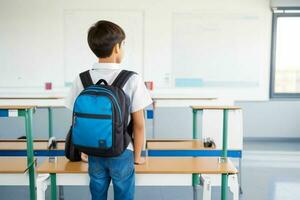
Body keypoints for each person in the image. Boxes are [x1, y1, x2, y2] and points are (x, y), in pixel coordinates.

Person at [66, 20, 152, 200]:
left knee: (97, 194)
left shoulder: (82, 79)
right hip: (122, 152)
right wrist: (137, 156)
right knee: (124, 194)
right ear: (117, 48)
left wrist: (84, 149)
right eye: (123, 45)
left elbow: (78, 120)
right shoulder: (132, 79)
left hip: (94, 153)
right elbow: (139, 125)